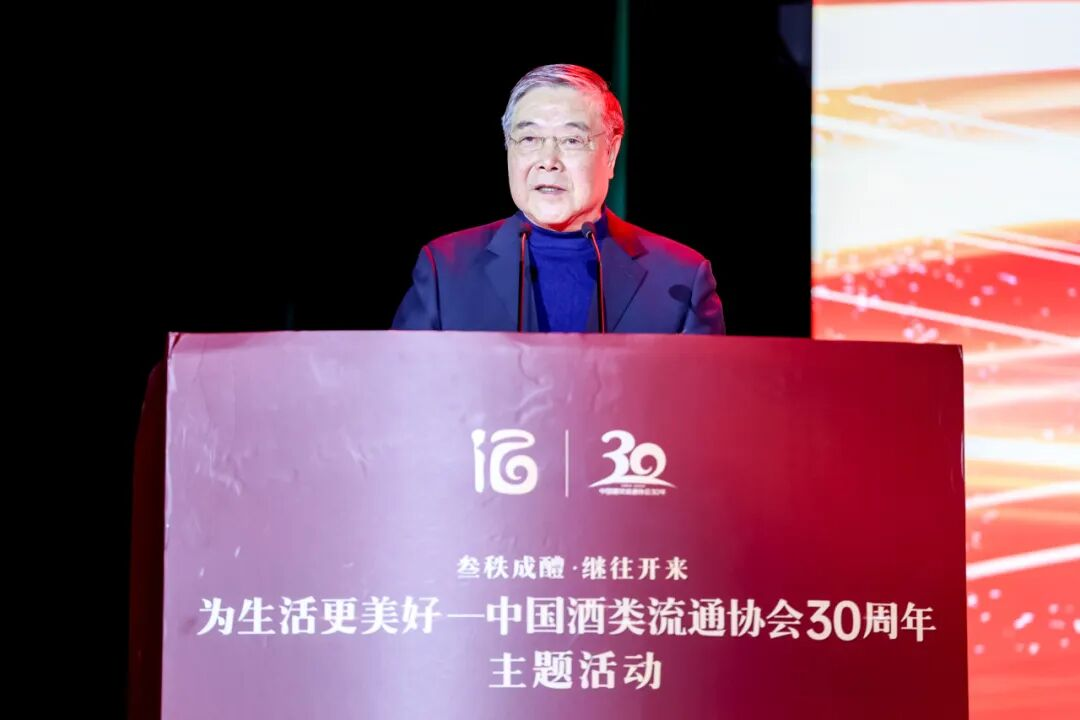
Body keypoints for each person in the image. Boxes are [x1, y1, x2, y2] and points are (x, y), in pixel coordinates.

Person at [392, 63, 725, 334]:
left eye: (571, 140)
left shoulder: (679, 278)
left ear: (611, 153)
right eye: (529, 138)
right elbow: (403, 386)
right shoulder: (445, 268)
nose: (548, 161)